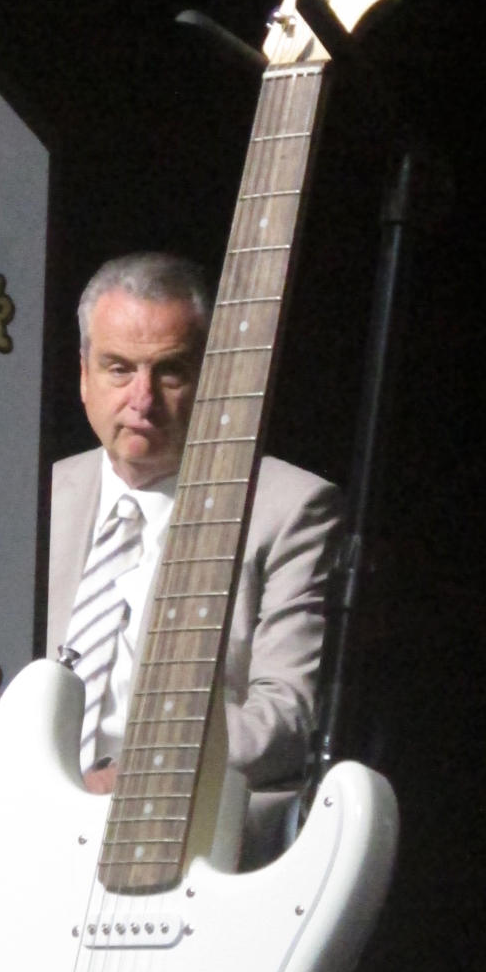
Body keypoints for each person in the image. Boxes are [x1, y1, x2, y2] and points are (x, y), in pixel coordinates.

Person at [46, 252, 340, 864]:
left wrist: (145, 777)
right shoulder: (35, 496)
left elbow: (286, 714)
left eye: (170, 372)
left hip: (192, 842)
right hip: (31, 833)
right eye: (118, 369)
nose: (142, 398)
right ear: (82, 375)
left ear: (212, 378)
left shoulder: (289, 508)